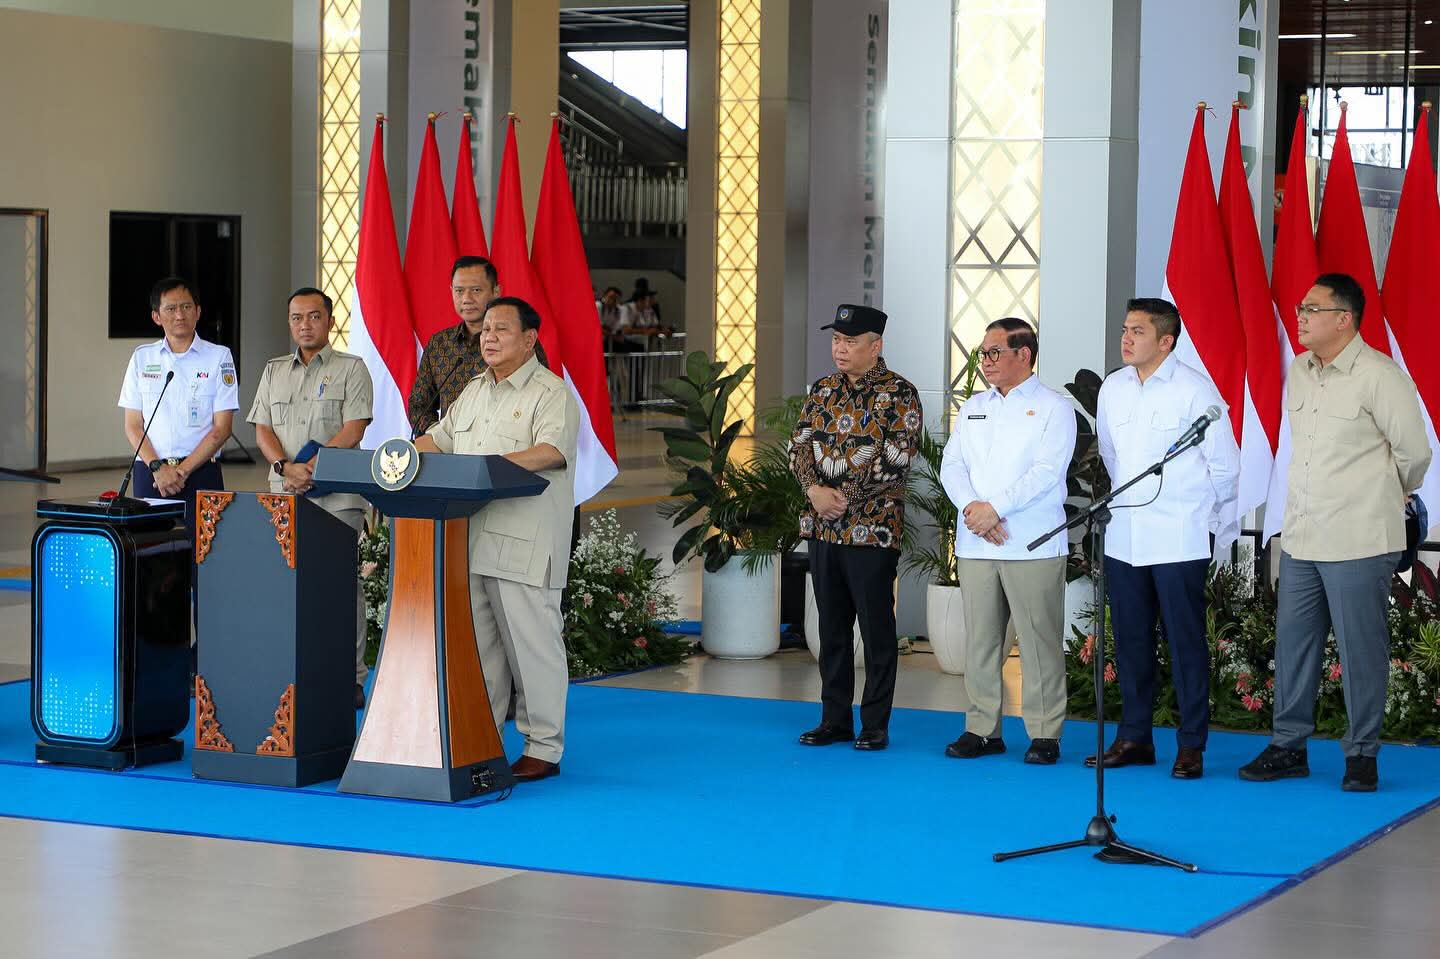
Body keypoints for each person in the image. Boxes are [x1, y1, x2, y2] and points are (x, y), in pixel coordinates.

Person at [1240, 273, 1431, 792]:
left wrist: (1378, 494)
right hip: (1302, 534)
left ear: (1343, 319)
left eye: (1311, 309)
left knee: (1359, 648)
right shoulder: (1300, 371)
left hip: (1360, 536)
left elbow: (1415, 454)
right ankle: (1288, 746)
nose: (1300, 317)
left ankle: (1362, 753)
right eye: (1301, 308)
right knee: (1295, 644)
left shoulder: (1379, 375)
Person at [415, 296, 579, 783]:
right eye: (485, 329)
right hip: (473, 537)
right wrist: (393, 457)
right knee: (480, 652)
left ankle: (543, 748)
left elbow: (550, 451)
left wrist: (485, 470)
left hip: (524, 542)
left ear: (529, 339)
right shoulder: (473, 390)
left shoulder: (551, 392)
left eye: (500, 329)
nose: (487, 337)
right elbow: (440, 438)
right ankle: (482, 740)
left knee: (533, 651)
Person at [1089, 297, 1239, 780]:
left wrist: (1207, 522)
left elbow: (1225, 468)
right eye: (1125, 329)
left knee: (1184, 642)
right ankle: (1135, 736)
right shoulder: (1112, 387)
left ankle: (1191, 744)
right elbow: (1113, 456)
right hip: (1126, 536)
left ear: (1166, 341)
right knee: (1131, 641)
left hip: (1178, 536)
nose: (1126, 338)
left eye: (1137, 331)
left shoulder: (1195, 391)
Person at [939, 318, 1076, 764]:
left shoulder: (1054, 408)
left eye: (995, 352)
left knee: (1039, 642)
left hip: (1030, 541)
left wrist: (994, 508)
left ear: (1025, 354)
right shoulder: (975, 406)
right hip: (979, 541)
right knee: (980, 641)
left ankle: (1044, 733)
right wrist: (974, 510)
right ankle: (982, 728)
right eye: (983, 353)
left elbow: (1045, 473)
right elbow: (951, 466)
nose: (986, 362)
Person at [789, 304, 922, 751]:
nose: (840, 349)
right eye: (836, 340)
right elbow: (799, 445)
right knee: (832, 629)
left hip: (872, 530)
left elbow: (896, 459)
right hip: (824, 531)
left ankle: (875, 724)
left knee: (876, 628)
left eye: (850, 342)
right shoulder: (822, 389)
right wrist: (813, 491)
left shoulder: (899, 394)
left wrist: (838, 497)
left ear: (875, 346)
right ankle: (834, 719)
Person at [247, 287, 375, 709]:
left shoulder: (351, 369)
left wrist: (315, 466)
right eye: (297, 318)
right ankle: (296, 669)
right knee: (288, 582)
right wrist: (286, 467)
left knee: (340, 585)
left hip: (337, 493)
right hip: (285, 489)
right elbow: (262, 428)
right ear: (289, 323)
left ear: (330, 321)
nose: (305, 325)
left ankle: (350, 676)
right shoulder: (273, 370)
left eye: (314, 317)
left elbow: (354, 428)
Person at [118, 276, 238, 535]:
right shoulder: (142, 358)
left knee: (205, 554)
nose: (179, 315)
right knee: (151, 552)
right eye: (170, 309)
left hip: (201, 471)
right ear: (156, 317)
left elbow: (222, 428)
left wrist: (181, 471)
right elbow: (133, 426)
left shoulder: (219, 357)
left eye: (186, 307)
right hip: (151, 473)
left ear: (198, 312)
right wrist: (159, 469)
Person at [408, 256, 499, 437]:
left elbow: (538, 396)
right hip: (448, 451)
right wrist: (440, 436)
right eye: (459, 291)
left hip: (499, 449)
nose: (466, 299)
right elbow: (419, 404)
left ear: (496, 291)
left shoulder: (516, 342)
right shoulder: (439, 344)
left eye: (476, 290)